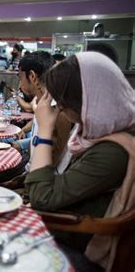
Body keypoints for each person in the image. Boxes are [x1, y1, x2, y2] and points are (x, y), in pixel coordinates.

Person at [25, 52, 134, 271]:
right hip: (67, 230)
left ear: (87, 100)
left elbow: (41, 198)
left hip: (81, 248)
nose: (60, 108)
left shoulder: (113, 152)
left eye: (63, 102)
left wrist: (45, 129)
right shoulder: (105, 133)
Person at [11, 51, 72, 168]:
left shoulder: (57, 111)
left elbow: (48, 166)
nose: (20, 82)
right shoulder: (42, 104)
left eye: (20, 77)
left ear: (32, 76)